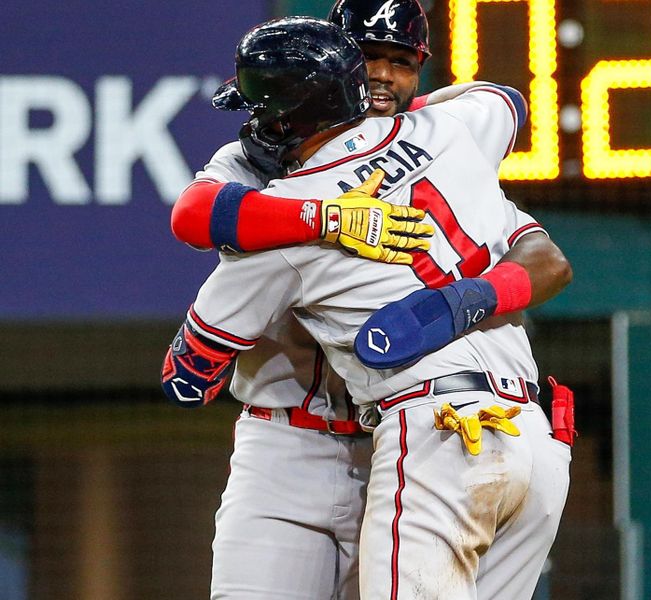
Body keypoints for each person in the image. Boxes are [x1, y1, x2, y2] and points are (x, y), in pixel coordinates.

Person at [163, 15, 573, 599]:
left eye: (399, 62)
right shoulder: (452, 136)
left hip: (424, 432)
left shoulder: (294, 203)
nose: (381, 75)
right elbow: (505, 103)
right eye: (366, 60)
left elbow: (186, 376)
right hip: (477, 430)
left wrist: (460, 301)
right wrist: (333, 217)